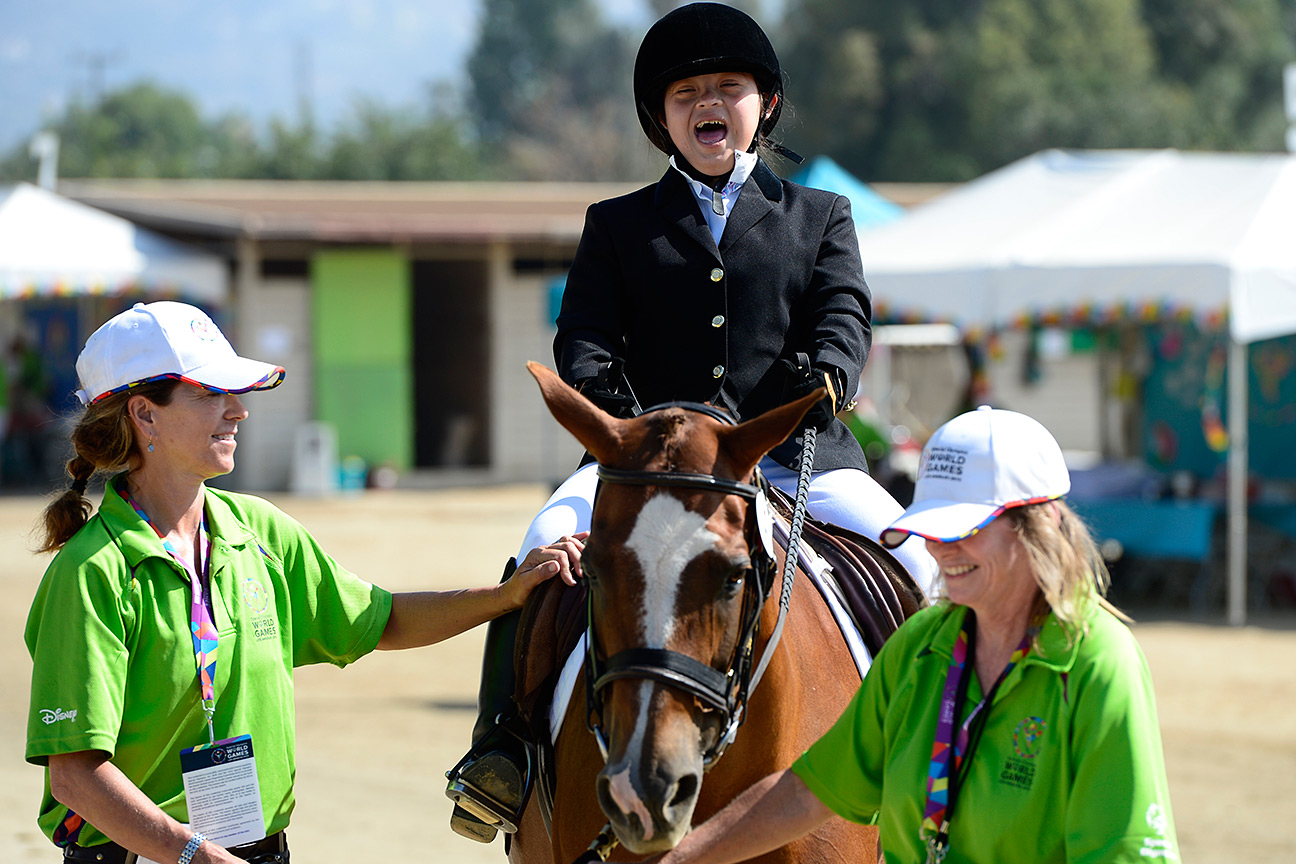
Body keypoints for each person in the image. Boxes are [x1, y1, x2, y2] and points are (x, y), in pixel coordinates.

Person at [444, 0, 938, 844]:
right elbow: (587, 343)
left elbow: (844, 316)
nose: (708, 103)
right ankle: (505, 748)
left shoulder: (821, 216)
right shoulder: (617, 223)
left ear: (764, 103)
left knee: (919, 564)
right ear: (660, 118)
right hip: (648, 464)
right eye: (686, 94)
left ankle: (932, 764)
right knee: (541, 545)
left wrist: (828, 374)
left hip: (791, 455)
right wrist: (639, 433)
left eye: (727, 87)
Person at [24, 301, 582, 864]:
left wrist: (503, 596)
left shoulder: (259, 530)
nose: (237, 411)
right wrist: (193, 854)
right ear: (145, 415)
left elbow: (379, 618)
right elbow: (74, 777)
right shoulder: (91, 573)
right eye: (211, 393)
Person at [608, 405, 1180, 864]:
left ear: (1040, 524)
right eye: (932, 528)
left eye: (964, 530)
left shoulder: (1099, 662)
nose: (940, 550)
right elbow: (808, 791)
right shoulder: (922, 643)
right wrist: (682, 860)